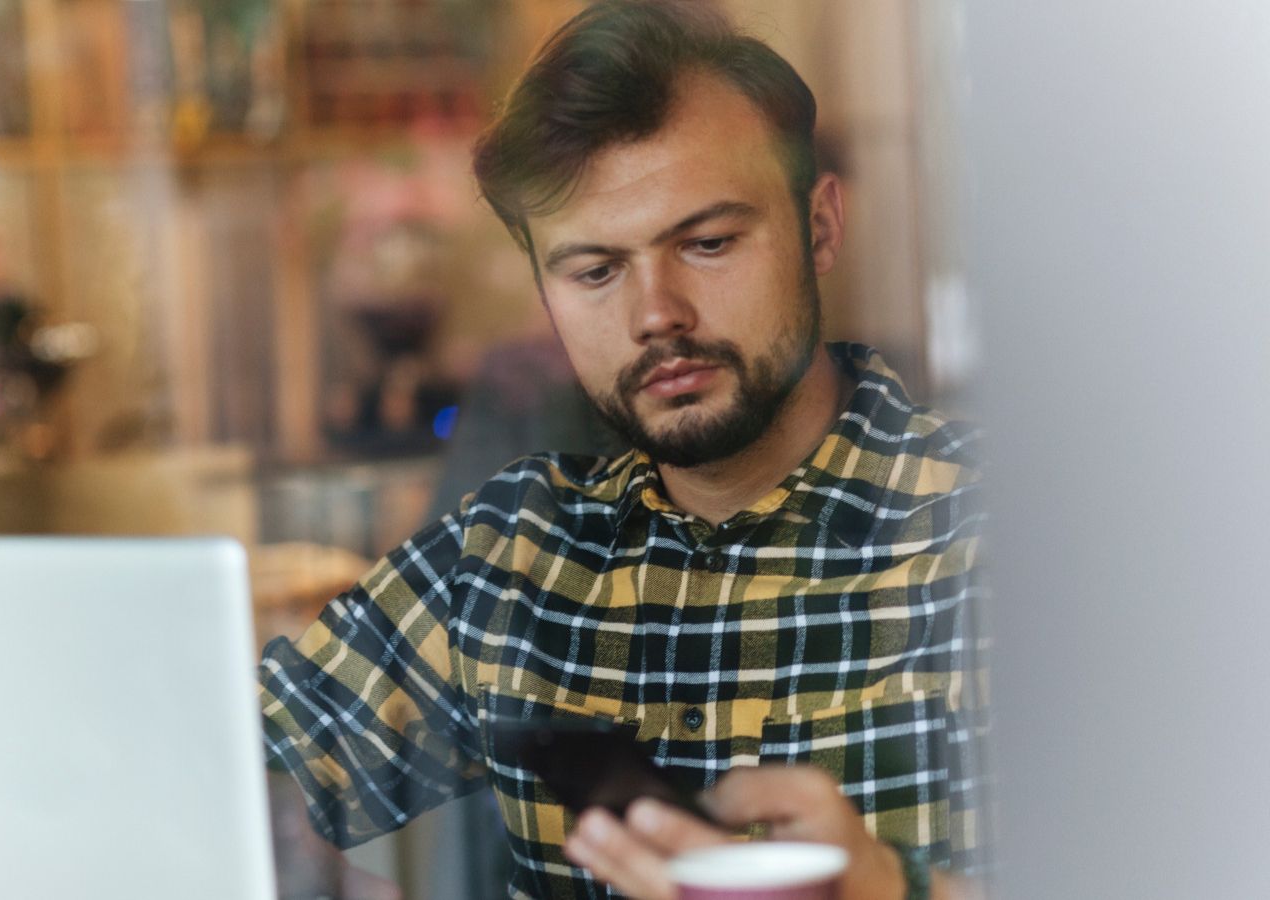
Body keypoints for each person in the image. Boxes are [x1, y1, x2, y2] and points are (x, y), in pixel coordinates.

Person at [258, 3, 986, 898]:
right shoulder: (508, 554)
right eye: (595, 271)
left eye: (709, 243)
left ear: (821, 227)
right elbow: (229, 780)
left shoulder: (995, 533)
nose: (656, 315)